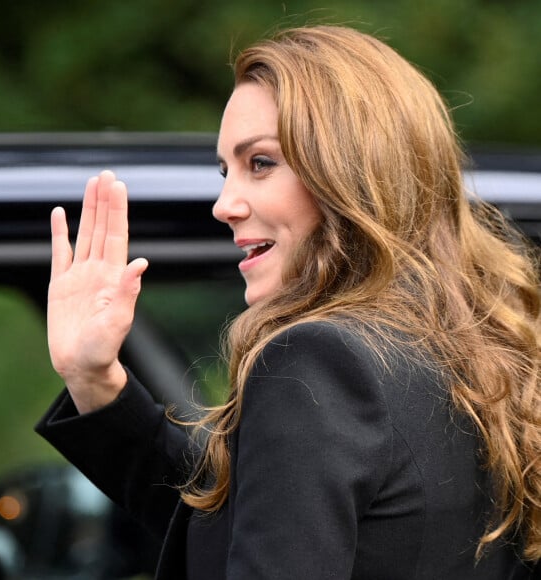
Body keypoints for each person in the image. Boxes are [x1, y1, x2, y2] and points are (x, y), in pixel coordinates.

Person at [35, 25, 541, 579]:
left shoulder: (318, 360)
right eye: (226, 171)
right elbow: (239, 527)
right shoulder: (473, 347)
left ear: (350, 170)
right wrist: (94, 379)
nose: (224, 204)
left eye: (261, 163)